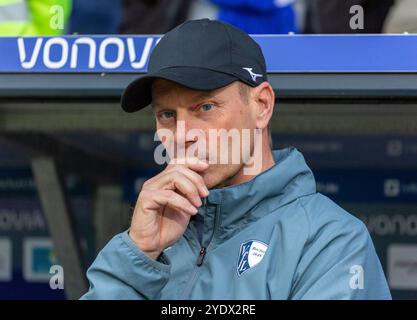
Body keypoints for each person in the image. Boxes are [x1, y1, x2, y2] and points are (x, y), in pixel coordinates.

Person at [81, 19, 391, 300]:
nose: (183, 134)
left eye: (205, 107)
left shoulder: (329, 240)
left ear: (262, 105)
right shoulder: (155, 241)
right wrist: (139, 255)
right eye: (167, 114)